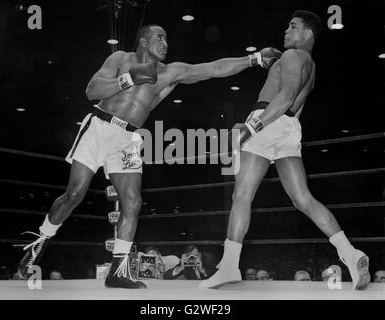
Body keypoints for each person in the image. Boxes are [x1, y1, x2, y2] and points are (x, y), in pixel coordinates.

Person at [17, 24, 281, 289]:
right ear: (143, 42)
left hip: (128, 139)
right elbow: (92, 91)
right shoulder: (120, 59)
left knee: (132, 202)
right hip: (99, 127)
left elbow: (212, 68)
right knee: (75, 194)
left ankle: (118, 270)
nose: (165, 43)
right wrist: (129, 79)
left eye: (167, 38)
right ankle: (40, 240)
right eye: (160, 38)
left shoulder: (169, 72)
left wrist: (255, 59)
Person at [200, 11, 371, 291]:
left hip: (269, 120)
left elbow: (285, 96)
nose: (286, 32)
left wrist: (251, 128)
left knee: (241, 194)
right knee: (303, 198)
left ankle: (229, 265)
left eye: (292, 27)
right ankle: (350, 253)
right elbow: (294, 105)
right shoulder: (311, 65)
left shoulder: (291, 57)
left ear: (308, 34)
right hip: (290, 126)